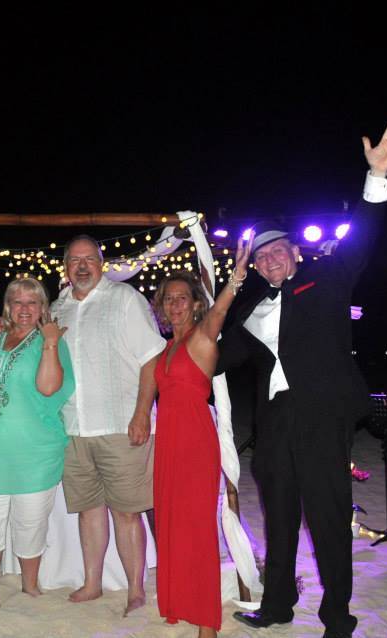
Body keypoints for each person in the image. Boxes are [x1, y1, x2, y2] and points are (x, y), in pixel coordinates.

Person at [220, 120, 387, 638]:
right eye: (262, 256)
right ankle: (278, 605)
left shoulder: (326, 278)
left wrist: (376, 180)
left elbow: (363, 241)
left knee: (327, 520)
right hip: (275, 422)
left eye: (279, 250)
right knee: (279, 519)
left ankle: (337, 617)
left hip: (323, 413)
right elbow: (214, 357)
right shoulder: (249, 306)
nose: (271, 258)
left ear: (296, 254)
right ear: (256, 267)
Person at [50, 235, 166, 616]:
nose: (82, 266)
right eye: (74, 260)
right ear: (65, 265)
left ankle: (135, 590)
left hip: (120, 425)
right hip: (73, 427)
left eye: (89, 259)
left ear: (102, 263)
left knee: (128, 512)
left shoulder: (124, 299)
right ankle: (93, 583)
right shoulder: (58, 307)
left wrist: (141, 414)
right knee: (89, 510)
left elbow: (152, 358)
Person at [150, 235, 250, 638]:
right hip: (168, 444)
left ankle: (208, 622)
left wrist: (236, 279)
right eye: (167, 299)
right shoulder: (167, 348)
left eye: (181, 298)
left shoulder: (201, 337)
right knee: (172, 526)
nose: (174, 304)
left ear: (195, 303)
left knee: (198, 532)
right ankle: (179, 603)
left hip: (193, 444)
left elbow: (221, 309)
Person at [0, 278, 74, 605]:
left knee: (31, 522)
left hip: (34, 450)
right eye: (18, 302)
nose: (25, 309)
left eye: (32, 302)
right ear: (8, 306)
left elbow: (49, 387)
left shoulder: (50, 339)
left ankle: (30, 585)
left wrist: (50, 343)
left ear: (42, 307)